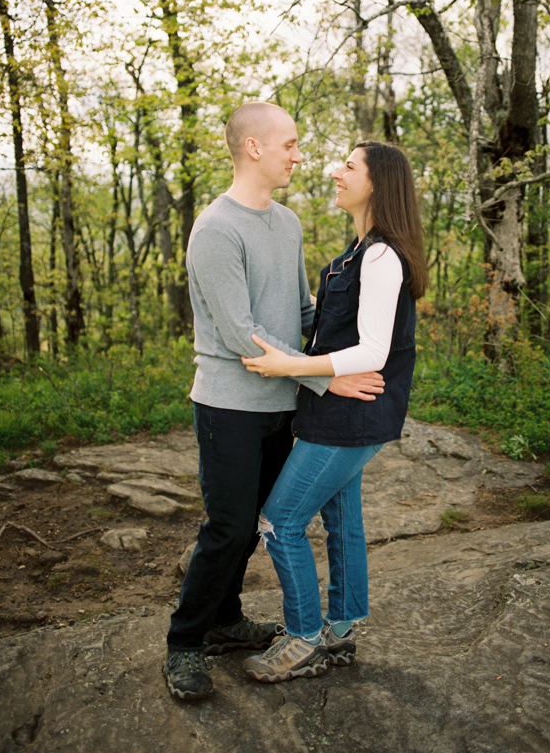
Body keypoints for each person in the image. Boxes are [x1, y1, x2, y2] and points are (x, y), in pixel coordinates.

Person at [163, 103, 386, 701]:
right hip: (229, 406)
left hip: (281, 406)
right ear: (254, 148)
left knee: (254, 525)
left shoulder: (285, 222)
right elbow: (240, 331)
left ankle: (226, 619)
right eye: (289, 143)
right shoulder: (215, 228)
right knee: (228, 526)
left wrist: (338, 359)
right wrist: (325, 380)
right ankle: (184, 642)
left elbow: (302, 311)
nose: (298, 154)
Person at [240, 141, 428, 682]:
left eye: (349, 166)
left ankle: (302, 640)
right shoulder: (359, 251)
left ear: (378, 182)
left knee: (279, 523)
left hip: (353, 417)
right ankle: (340, 633)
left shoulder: (381, 255)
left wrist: (287, 367)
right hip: (337, 413)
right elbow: (332, 327)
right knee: (343, 523)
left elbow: (374, 350)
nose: (335, 172)